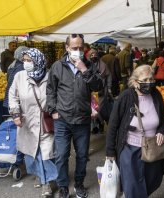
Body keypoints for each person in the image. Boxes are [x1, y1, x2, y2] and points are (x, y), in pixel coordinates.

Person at [46, 34, 103, 198]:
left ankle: (79, 184)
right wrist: (53, 110)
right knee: (62, 155)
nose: (78, 51)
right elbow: (50, 90)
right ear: (67, 48)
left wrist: (84, 70)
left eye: (80, 48)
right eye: (74, 48)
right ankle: (63, 186)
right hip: (62, 119)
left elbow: (98, 85)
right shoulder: (57, 66)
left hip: (82, 120)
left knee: (83, 155)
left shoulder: (89, 65)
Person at [106, 65, 164, 198]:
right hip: (130, 149)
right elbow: (113, 125)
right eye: (145, 80)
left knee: (152, 180)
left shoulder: (156, 94)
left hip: (152, 148)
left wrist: (161, 131)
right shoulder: (126, 97)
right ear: (135, 82)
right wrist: (110, 151)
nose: (149, 83)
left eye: (151, 79)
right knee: (133, 185)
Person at [9, 48, 57, 197]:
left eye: (29, 60)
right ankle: (41, 175)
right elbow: (13, 96)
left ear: (39, 61)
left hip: (46, 121)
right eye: (24, 60)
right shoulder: (19, 76)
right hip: (27, 122)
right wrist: (16, 113)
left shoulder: (50, 76)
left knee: (46, 154)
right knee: (32, 154)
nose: (26, 63)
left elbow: (58, 95)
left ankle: (46, 183)